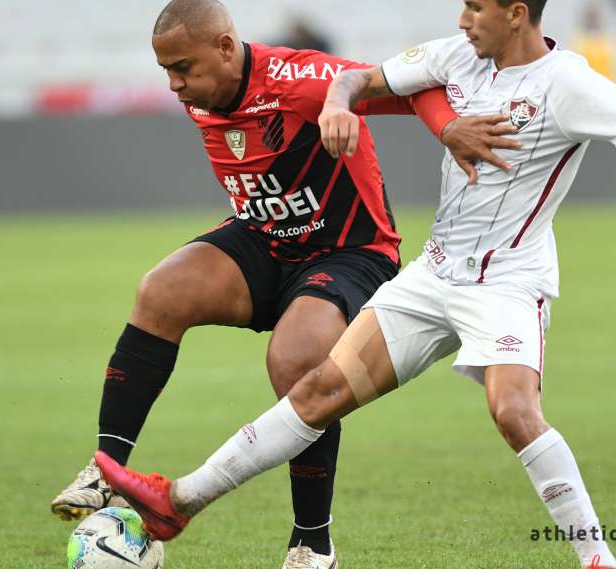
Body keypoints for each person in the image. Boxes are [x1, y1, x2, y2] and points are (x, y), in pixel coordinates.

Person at [93, 1, 616, 568]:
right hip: (433, 274)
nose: (462, 19)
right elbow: (355, 77)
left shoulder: (567, 82)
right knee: (316, 389)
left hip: (507, 281)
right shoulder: (459, 56)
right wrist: (341, 105)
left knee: (513, 412)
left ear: (517, 12)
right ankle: (180, 502)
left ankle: (598, 559)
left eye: (476, 7)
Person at [51, 1, 519, 566]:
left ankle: (311, 543)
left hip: (349, 251)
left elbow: (409, 83)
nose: (175, 85)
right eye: (166, 71)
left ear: (226, 48)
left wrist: (447, 128)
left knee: (296, 362)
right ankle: (106, 471)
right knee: (160, 292)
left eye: (184, 68)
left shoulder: (299, 78)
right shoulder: (205, 91)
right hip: (267, 238)